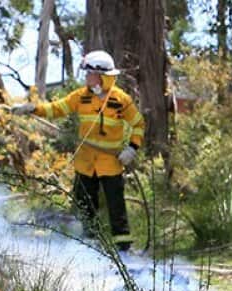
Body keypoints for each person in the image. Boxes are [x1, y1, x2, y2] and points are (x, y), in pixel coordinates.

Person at [14, 50, 145, 252]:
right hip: (85, 163)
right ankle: (90, 248)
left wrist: (132, 148)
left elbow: (138, 124)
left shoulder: (121, 100)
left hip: (111, 164)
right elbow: (56, 108)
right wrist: (32, 108)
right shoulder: (81, 97)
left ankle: (124, 251)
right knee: (85, 206)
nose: (86, 78)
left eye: (88, 74)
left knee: (116, 208)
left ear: (101, 75)